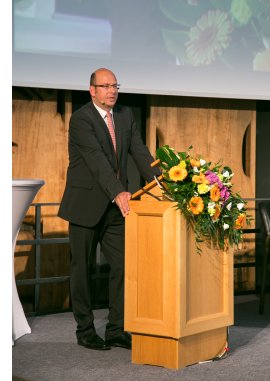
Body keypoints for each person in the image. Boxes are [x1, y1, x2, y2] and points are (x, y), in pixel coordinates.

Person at [58, 68, 160, 350]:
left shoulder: (125, 115)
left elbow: (140, 153)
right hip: (86, 205)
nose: (112, 91)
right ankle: (85, 330)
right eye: (105, 86)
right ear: (92, 90)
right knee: (83, 268)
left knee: (124, 266)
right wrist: (118, 192)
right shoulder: (81, 119)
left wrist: (162, 182)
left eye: (115, 85)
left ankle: (116, 328)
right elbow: (96, 160)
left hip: (117, 208)